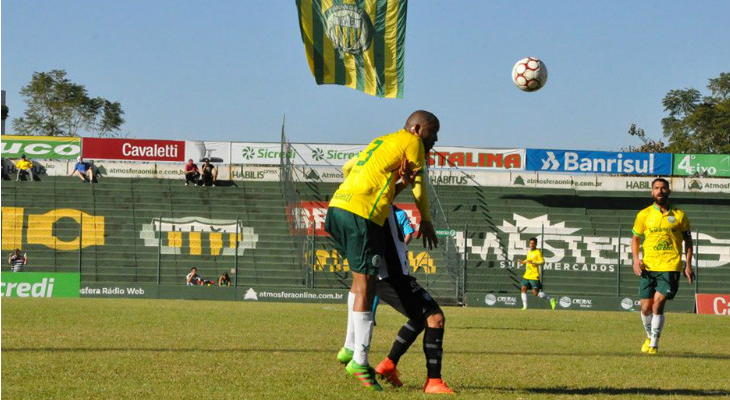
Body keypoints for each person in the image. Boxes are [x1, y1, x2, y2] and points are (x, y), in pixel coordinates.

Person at [325, 110, 439, 391]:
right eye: (432, 131)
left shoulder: (382, 142)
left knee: (358, 281)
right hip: (360, 215)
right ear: (416, 128)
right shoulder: (412, 144)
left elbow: (348, 168)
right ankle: (360, 362)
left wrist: (399, 181)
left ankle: (349, 348)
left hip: (338, 207)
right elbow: (422, 188)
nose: (434, 139)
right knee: (368, 286)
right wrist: (426, 219)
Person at [632, 177, 693, 355]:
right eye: (656, 188)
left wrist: (688, 265)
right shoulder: (644, 215)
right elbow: (635, 238)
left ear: (668, 191)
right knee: (645, 307)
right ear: (652, 192)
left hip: (670, 265)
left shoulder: (679, 215)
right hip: (648, 266)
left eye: (663, 188)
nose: (660, 191)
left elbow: (688, 241)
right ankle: (649, 336)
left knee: (657, 305)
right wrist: (636, 260)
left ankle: (654, 344)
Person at [519, 237, 557, 310]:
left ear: (536, 244)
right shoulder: (529, 251)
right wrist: (523, 262)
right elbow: (528, 259)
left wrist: (534, 262)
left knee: (535, 293)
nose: (531, 244)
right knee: (523, 289)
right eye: (530, 243)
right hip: (527, 274)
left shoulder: (538, 252)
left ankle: (551, 299)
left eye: (533, 243)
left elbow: (542, 262)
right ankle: (525, 307)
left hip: (534, 275)